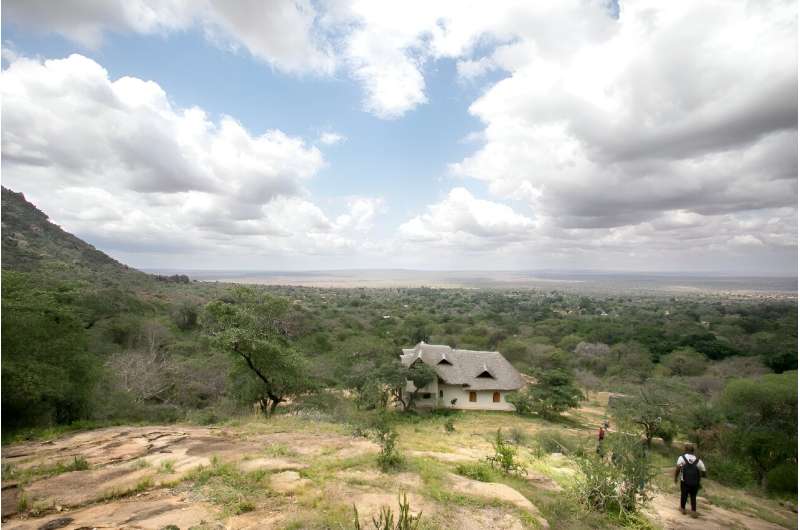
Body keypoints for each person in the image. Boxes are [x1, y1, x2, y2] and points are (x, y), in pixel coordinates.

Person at [674, 443, 706, 517]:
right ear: (693, 451)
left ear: (685, 450)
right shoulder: (698, 460)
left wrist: (675, 478)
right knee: (693, 496)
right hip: (695, 482)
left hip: (684, 481)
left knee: (684, 494)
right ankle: (693, 511)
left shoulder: (682, 458)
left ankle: (682, 508)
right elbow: (704, 472)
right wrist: (699, 476)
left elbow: (678, 468)